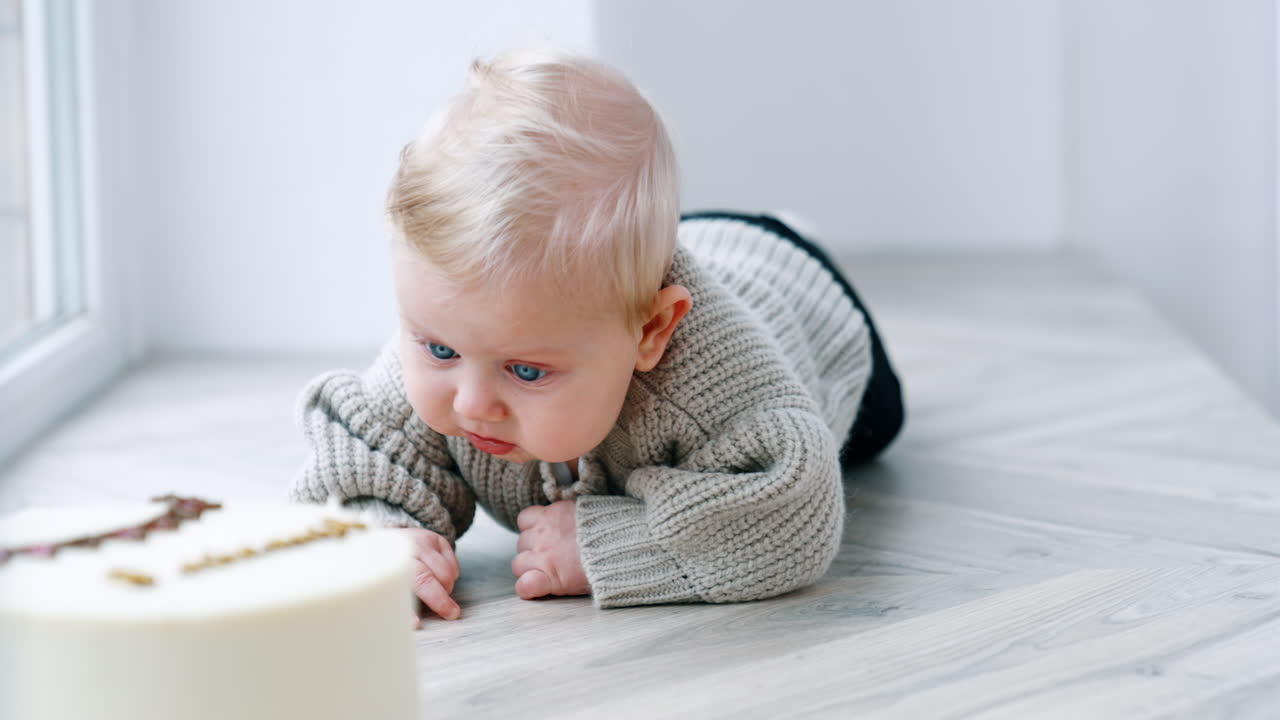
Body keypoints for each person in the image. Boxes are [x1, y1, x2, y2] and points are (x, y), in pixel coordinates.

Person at [290, 47, 904, 623]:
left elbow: (792, 512)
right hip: (640, 266)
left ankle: (790, 226)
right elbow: (362, 451)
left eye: (526, 370)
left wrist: (607, 543)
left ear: (651, 332)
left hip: (802, 294)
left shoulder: (712, 401)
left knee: (875, 435)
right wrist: (383, 533)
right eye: (440, 349)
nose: (472, 403)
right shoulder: (479, 330)